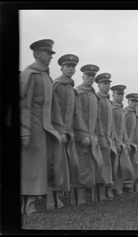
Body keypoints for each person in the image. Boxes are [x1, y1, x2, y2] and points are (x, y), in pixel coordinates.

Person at [20, 39, 65, 214]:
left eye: (51, 54)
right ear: (37, 54)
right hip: (31, 129)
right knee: (30, 167)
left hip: (44, 129)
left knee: (41, 166)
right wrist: (24, 132)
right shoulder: (29, 74)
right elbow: (24, 104)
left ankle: (38, 202)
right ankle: (28, 206)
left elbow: (52, 107)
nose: (50, 57)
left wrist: (59, 129)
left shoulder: (46, 76)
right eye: (47, 54)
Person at [50, 54, 80, 208]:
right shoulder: (57, 84)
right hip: (55, 132)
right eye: (68, 66)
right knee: (56, 166)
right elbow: (53, 109)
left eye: (73, 67)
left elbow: (74, 114)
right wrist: (60, 130)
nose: (71, 69)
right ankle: (52, 200)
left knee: (67, 166)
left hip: (68, 133)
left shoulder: (71, 88)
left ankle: (61, 197)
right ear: (61, 68)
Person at [73, 64, 104, 204]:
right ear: (82, 77)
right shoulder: (78, 92)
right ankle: (78, 200)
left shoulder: (93, 96)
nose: (90, 78)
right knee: (80, 167)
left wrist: (96, 135)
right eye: (88, 76)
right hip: (81, 137)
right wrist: (82, 135)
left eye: (93, 76)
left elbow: (97, 119)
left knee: (91, 167)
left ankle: (89, 198)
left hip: (92, 137)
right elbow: (76, 115)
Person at [95, 73, 118, 200]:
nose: (107, 86)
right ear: (98, 85)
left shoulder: (109, 102)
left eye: (109, 83)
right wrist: (101, 136)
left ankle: (108, 189)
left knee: (109, 165)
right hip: (100, 138)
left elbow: (111, 122)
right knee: (101, 166)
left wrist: (112, 137)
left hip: (109, 139)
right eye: (105, 83)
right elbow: (97, 119)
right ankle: (101, 192)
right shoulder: (97, 98)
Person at [111, 85, 134, 196]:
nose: (120, 97)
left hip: (121, 142)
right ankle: (111, 188)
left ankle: (117, 187)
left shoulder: (120, 110)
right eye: (118, 94)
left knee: (120, 166)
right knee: (112, 166)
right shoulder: (112, 108)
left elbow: (123, 128)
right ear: (113, 95)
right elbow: (111, 127)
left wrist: (126, 141)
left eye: (122, 95)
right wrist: (116, 140)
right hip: (112, 141)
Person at [124, 93, 138, 193]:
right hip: (124, 143)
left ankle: (132, 187)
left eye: (135, 102)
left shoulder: (133, 115)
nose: (134, 104)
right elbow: (122, 129)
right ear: (128, 102)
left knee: (134, 166)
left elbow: (135, 131)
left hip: (132, 145)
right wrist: (126, 142)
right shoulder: (126, 113)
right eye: (132, 101)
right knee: (124, 167)